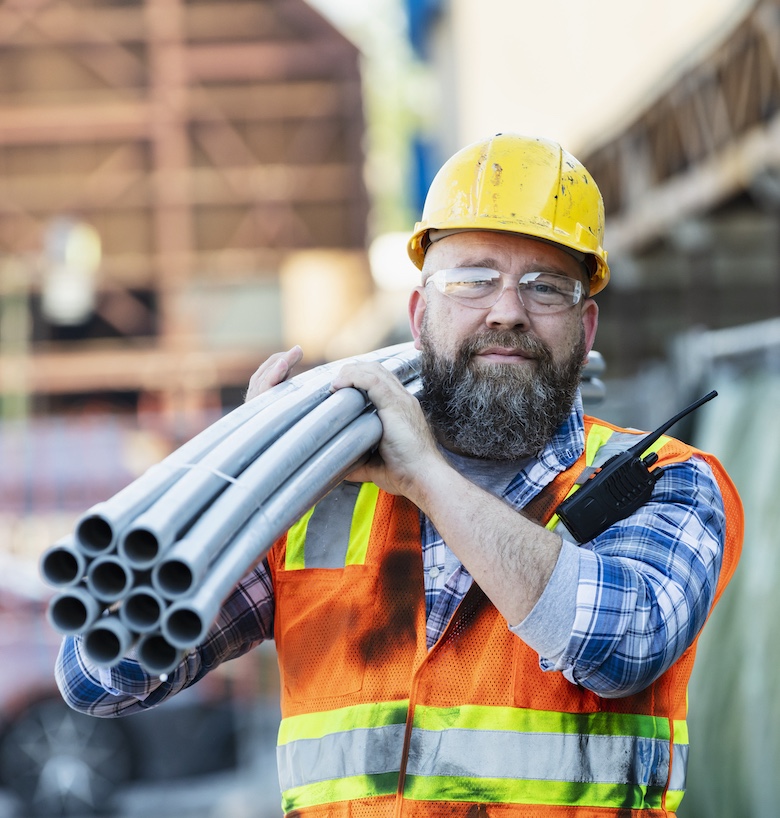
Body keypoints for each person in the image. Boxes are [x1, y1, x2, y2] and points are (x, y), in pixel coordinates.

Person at [56, 133, 743, 817]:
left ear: (585, 328)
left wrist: (425, 478)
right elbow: (102, 679)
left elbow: (624, 644)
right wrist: (241, 486)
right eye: (472, 279)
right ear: (419, 316)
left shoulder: (670, 483)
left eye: (545, 286)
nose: (506, 309)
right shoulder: (321, 497)